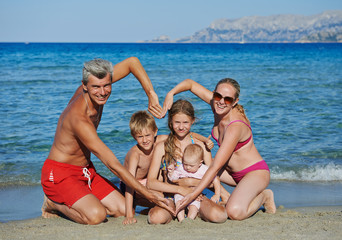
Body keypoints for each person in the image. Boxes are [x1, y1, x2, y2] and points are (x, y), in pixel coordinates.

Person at [40, 58, 174, 225]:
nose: (102, 92)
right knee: (96, 216)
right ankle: (53, 203)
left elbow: (132, 62)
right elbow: (113, 165)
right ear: (84, 86)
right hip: (60, 174)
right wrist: (148, 194)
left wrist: (150, 93)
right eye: (96, 87)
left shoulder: (99, 82)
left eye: (106, 85)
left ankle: (82, 198)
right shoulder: (79, 119)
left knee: (126, 210)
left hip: (86, 171)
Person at [162, 78, 276, 221]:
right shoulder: (216, 105)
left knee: (234, 213)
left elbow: (215, 167)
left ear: (235, 102)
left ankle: (264, 196)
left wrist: (193, 194)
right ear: (214, 94)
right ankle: (225, 195)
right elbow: (190, 84)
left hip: (253, 173)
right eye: (218, 96)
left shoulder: (234, 126)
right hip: (230, 173)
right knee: (193, 166)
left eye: (227, 99)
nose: (221, 101)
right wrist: (171, 93)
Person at [147, 99, 228, 224]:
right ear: (170, 122)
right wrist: (180, 189)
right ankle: (178, 212)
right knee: (155, 218)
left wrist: (190, 183)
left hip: (197, 195)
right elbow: (151, 183)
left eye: (185, 122)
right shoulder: (162, 147)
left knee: (219, 216)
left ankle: (196, 211)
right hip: (172, 196)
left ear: (192, 121)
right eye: (177, 122)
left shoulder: (201, 146)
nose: (181, 126)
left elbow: (212, 181)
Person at [121, 110, 168, 225]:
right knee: (161, 197)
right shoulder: (135, 155)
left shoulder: (159, 141)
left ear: (155, 132)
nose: (145, 140)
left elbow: (180, 138)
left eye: (148, 135)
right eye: (140, 137)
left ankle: (146, 210)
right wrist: (129, 215)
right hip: (132, 185)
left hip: (147, 181)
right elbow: (130, 184)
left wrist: (203, 140)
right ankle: (135, 207)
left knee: (167, 174)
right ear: (134, 136)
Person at [168, 144, 221, 222]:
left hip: (196, 194)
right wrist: (171, 172)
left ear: (200, 163)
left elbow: (215, 179)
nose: (188, 168)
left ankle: (190, 220)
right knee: (179, 203)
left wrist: (217, 194)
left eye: (191, 166)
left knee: (194, 206)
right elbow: (173, 179)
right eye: (185, 164)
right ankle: (181, 219)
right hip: (181, 192)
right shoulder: (181, 168)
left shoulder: (204, 170)